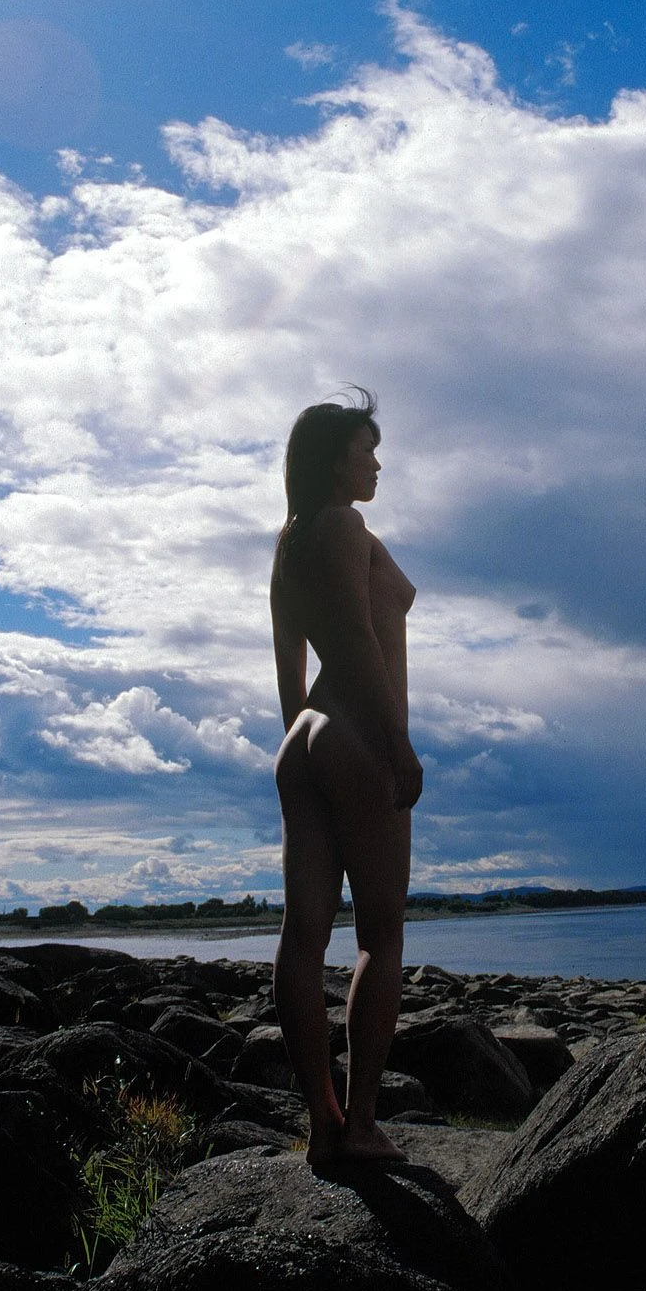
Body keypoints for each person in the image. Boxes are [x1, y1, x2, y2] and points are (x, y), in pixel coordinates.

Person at [270, 392, 423, 1166]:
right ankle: (359, 1124)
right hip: (357, 729)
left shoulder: (292, 538)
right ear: (335, 461)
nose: (377, 463)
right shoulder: (343, 526)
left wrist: (304, 743)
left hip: (304, 738)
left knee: (303, 934)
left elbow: (287, 659)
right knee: (380, 933)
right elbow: (359, 640)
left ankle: (322, 1127)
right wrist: (394, 743)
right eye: (366, 449)